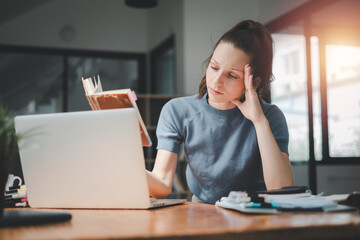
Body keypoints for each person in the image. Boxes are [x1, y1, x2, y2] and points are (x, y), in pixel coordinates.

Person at [146, 20, 293, 204]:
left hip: (255, 213)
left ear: (253, 82)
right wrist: (128, 166)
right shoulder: (177, 111)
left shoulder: (270, 116)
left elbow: (281, 189)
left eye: (232, 75)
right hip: (202, 213)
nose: (216, 82)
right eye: (214, 67)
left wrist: (258, 121)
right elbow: (161, 185)